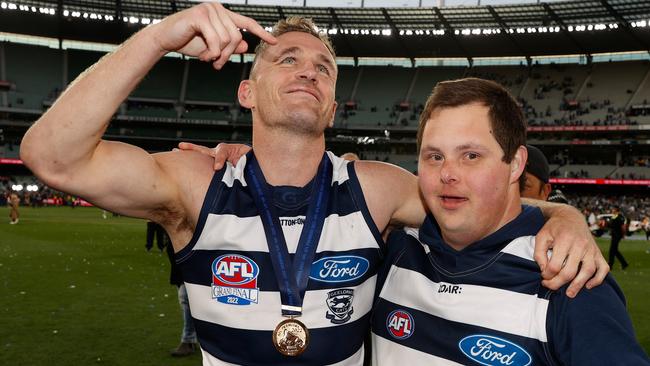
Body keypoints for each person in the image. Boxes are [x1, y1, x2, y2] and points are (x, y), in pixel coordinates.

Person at [19, 3, 606, 365]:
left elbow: (480, 209)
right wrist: (159, 37)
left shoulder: (377, 188)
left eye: (323, 67)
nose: (308, 69)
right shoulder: (195, 183)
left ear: (332, 106)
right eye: (287, 59)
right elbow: (53, 158)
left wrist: (562, 217)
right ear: (246, 91)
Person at [370, 78, 649, 365]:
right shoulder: (392, 247)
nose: (447, 173)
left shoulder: (567, 281)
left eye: (471, 155)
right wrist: (563, 212)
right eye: (434, 156)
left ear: (515, 164)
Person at [162, 231, 199, 357]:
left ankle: (188, 340)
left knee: (187, 300)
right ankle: (190, 340)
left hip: (189, 263)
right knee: (187, 300)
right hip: (182, 262)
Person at [608, 205, 629, 270]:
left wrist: (623, 235)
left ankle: (610, 265)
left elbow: (623, 227)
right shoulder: (614, 216)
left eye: (613, 209)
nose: (612, 210)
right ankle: (624, 263)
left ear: (616, 209)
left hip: (617, 235)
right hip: (614, 235)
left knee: (612, 250)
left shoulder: (620, 217)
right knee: (615, 250)